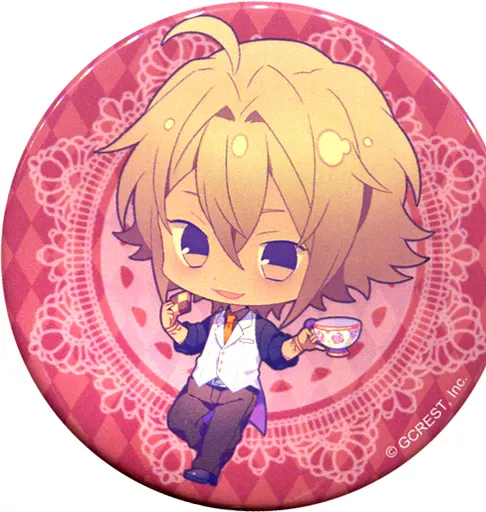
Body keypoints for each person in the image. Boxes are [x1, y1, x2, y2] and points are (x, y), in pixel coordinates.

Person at [101, 15, 430, 485]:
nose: (228, 276)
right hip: (200, 386)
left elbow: (279, 354)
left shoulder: (260, 330)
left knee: (220, 434)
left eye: (277, 254)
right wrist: (172, 322)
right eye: (192, 240)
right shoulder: (214, 320)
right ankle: (207, 442)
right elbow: (190, 341)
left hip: (239, 394)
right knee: (179, 421)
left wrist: (306, 341)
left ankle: (208, 465)